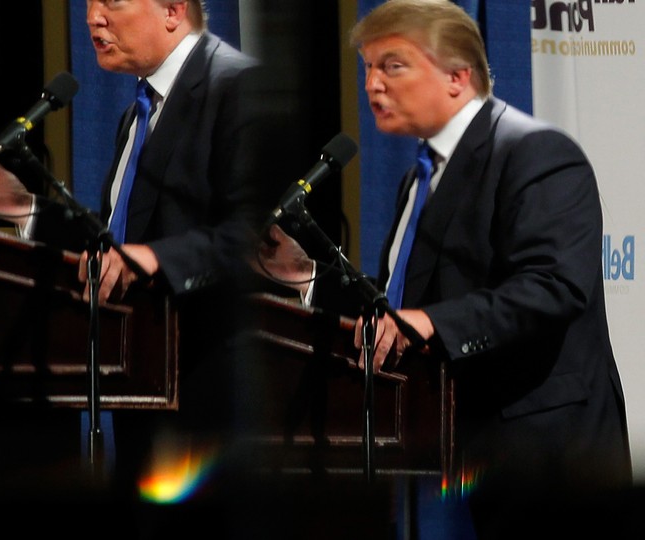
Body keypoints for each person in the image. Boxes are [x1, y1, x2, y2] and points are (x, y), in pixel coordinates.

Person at [255, 0, 632, 537]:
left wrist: (436, 324)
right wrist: (305, 275)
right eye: (367, 68)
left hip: (546, 461)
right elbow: (400, 305)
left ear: (458, 77)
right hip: (450, 449)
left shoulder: (536, 156)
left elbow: (554, 286)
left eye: (393, 66)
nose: (372, 85)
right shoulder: (423, 178)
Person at [0, 0, 270, 513]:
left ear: (173, 10)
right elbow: (114, 248)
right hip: (145, 384)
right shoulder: (140, 110)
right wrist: (25, 210)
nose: (92, 18)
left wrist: (155, 260)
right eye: (88, 4)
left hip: (213, 394)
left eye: (110, 1)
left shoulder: (235, 88)